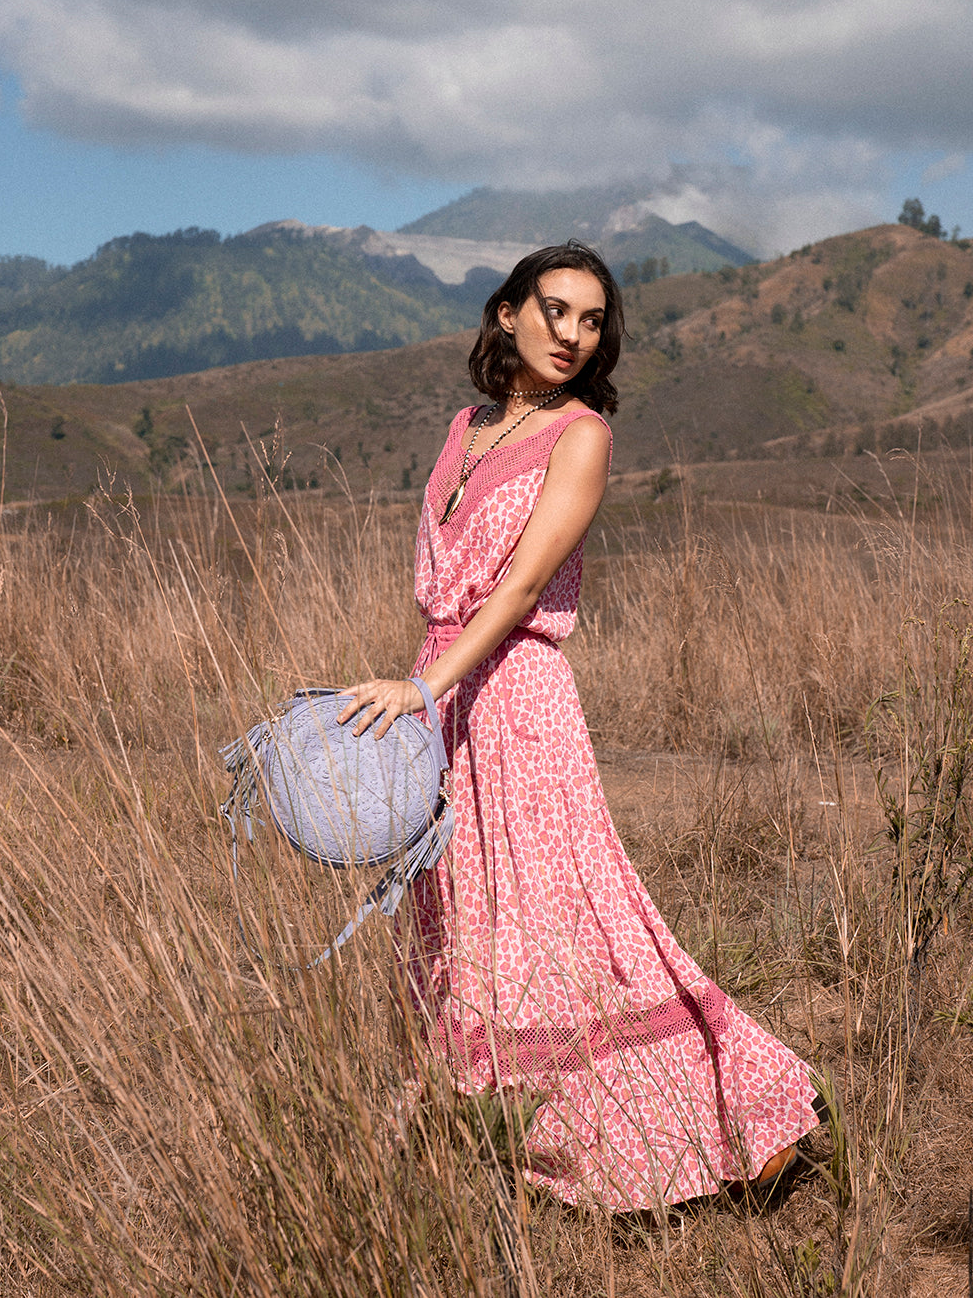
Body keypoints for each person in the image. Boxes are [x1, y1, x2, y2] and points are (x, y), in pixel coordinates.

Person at [339, 241, 818, 1212]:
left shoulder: (582, 434)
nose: (571, 333)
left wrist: (421, 688)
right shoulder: (459, 426)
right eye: (553, 309)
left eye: (591, 319)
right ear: (506, 313)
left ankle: (731, 1121)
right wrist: (423, 698)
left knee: (560, 917)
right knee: (464, 913)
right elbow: (448, 586)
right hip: (445, 691)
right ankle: (482, 1120)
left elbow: (516, 588)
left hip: (513, 696)